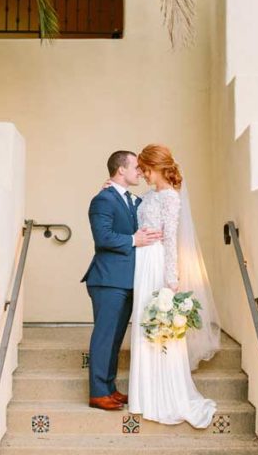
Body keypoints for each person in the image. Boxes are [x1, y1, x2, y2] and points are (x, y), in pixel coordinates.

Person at [126, 144, 218, 428]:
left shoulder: (170, 198)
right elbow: (134, 211)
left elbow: (170, 240)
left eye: (146, 169)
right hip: (142, 263)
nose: (142, 174)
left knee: (159, 326)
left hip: (157, 264)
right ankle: (143, 395)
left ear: (157, 168)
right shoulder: (149, 195)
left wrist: (171, 278)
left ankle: (164, 394)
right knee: (144, 323)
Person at [81, 151, 162, 411]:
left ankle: (109, 388)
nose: (140, 172)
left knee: (116, 338)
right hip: (107, 280)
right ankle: (97, 393)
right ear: (120, 171)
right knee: (105, 336)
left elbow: (150, 209)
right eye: (136, 167)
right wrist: (132, 240)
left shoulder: (132, 200)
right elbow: (103, 237)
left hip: (128, 280)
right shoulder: (102, 200)